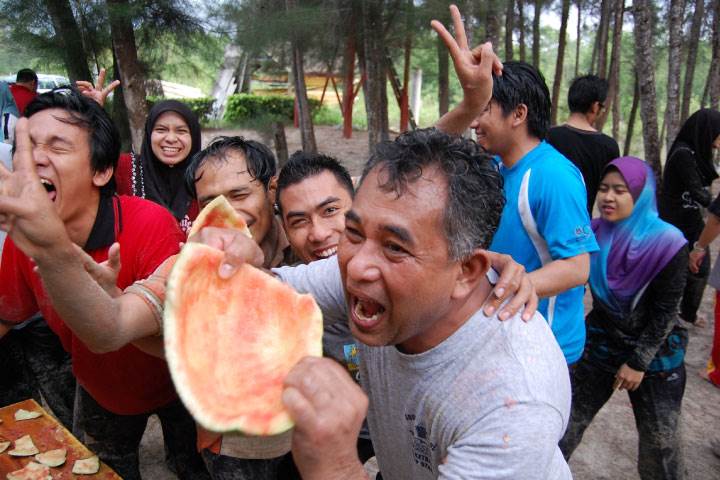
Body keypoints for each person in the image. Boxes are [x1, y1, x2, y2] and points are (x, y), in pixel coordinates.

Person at [0, 89, 209, 480]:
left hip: (178, 385)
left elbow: (175, 329)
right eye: (26, 146)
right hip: (102, 393)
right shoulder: (22, 242)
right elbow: (6, 316)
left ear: (101, 171)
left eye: (56, 146)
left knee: (191, 467)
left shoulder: (152, 224)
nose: (35, 158)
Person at [435, 10, 598, 365]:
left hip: (543, 345)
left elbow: (577, 267)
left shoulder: (553, 175)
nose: (475, 122)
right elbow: (428, 155)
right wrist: (469, 99)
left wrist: (511, 288)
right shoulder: (493, 166)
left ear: (519, 114)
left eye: (485, 109)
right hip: (500, 336)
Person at [559, 157, 689, 480]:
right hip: (602, 342)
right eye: (604, 189)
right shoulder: (592, 233)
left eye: (620, 190)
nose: (608, 197)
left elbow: (666, 311)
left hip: (657, 356)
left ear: (641, 195)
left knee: (660, 449)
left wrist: (638, 362)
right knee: (563, 427)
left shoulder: (668, 243)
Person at [275, 151, 375, 468]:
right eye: (299, 221)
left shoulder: (399, 276)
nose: (318, 233)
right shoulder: (295, 290)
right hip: (335, 436)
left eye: (330, 210)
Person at [659, 109, 720, 327]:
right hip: (673, 221)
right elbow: (698, 192)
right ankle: (671, 314)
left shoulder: (696, 152)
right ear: (707, 131)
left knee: (700, 268)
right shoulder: (683, 153)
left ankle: (688, 314)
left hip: (690, 217)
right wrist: (716, 205)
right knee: (672, 272)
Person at [115, 100, 202, 233]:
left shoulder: (204, 177)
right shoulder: (124, 168)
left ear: (194, 137)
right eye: (161, 130)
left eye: (181, 131)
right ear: (149, 133)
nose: (171, 139)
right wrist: (92, 115)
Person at [547, 74, 620, 214]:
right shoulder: (608, 146)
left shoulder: (547, 136)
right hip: (581, 222)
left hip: (543, 219)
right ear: (595, 106)